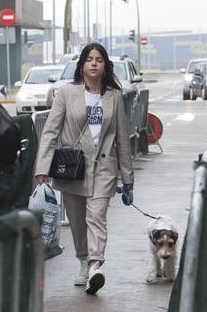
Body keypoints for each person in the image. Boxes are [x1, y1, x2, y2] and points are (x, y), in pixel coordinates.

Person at [35, 43, 134, 294]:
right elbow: (50, 132)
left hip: (104, 167)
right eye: (89, 59)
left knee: (97, 216)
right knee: (78, 221)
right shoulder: (66, 93)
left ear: (105, 66)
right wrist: (42, 167)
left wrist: (127, 177)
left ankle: (94, 265)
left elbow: (122, 137)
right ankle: (83, 261)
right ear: (81, 64)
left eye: (99, 59)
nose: (93, 63)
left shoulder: (114, 95)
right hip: (73, 168)